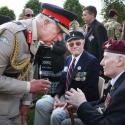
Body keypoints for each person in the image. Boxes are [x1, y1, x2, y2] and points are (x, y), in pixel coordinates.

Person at [0, 3, 77, 125]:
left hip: (14, 105)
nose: (60, 39)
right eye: (59, 32)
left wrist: (25, 103)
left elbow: (27, 70)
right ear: (46, 23)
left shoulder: (32, 36)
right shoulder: (11, 34)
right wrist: (29, 87)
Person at [34, 30, 100, 125]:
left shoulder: (91, 61)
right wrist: (56, 96)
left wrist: (70, 104)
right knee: (41, 104)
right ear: (67, 45)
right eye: (71, 44)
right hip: (63, 97)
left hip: (80, 102)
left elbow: (91, 91)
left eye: (78, 43)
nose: (74, 46)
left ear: (83, 42)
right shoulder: (69, 59)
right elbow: (62, 82)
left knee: (57, 114)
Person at [62, 39, 125, 125]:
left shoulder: (122, 90)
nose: (101, 62)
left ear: (120, 61)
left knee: (65, 122)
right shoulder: (116, 81)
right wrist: (78, 104)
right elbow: (103, 103)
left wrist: (82, 104)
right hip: (102, 114)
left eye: (105, 57)